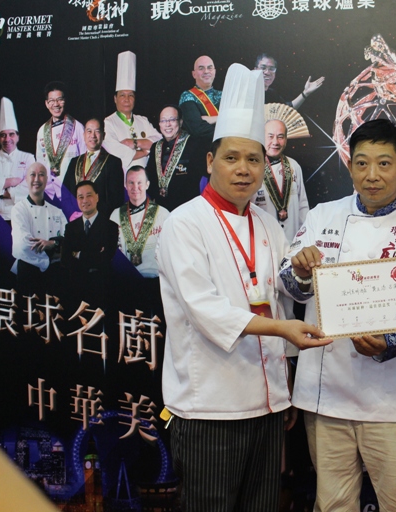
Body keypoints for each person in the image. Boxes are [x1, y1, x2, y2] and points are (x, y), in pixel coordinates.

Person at [158, 63, 330, 512]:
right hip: (210, 407)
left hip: (267, 403)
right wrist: (282, 331)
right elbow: (205, 310)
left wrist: (304, 272)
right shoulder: (184, 223)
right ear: (209, 161)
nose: (243, 169)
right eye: (231, 158)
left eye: (254, 159)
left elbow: (286, 292)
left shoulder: (268, 222)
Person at [280, 119, 396, 511]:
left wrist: (387, 342)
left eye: (384, 164)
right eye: (362, 163)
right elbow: (290, 286)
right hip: (327, 394)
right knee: (332, 504)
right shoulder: (322, 216)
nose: (372, 175)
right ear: (350, 165)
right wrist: (301, 270)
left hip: (391, 397)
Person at [10, 163, 66, 295]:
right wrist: (54, 250)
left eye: (41, 175)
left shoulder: (57, 212)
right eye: (32, 175)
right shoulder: (19, 209)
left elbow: (70, 242)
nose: (36, 179)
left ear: (46, 179)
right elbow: (23, 245)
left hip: (54, 276)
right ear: (26, 179)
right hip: (28, 273)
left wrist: (52, 243)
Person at [61, 180, 119, 305]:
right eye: (80, 197)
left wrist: (77, 254)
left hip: (102, 288)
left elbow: (105, 258)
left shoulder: (110, 227)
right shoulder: (70, 227)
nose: (85, 200)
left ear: (97, 197)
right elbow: (65, 258)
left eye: (89, 195)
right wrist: (94, 253)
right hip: (76, 289)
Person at [103, 51, 162, 170]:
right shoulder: (108, 122)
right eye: (122, 95)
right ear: (115, 99)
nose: (127, 99)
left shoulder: (143, 120)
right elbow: (116, 151)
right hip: (122, 176)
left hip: (146, 176)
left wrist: (134, 143)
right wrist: (145, 151)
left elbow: (159, 141)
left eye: (131, 95)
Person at [253, 118, 309, 241]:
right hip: (263, 240)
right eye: (270, 136)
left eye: (280, 137)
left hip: (292, 239)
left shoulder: (294, 166)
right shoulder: (253, 167)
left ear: (286, 139)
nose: (275, 142)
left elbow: (303, 206)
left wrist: (304, 238)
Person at [145, 105, 208, 212]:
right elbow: (150, 174)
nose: (167, 124)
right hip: (160, 209)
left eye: (172, 120)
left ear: (180, 122)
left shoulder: (195, 144)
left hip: (186, 209)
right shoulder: (155, 146)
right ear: (159, 124)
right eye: (163, 120)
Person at [110, 166, 169, 278]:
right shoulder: (115, 215)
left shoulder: (163, 214)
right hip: (125, 280)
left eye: (139, 182)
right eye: (131, 183)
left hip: (155, 280)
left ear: (147, 184)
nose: (135, 187)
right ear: (125, 185)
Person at [0, 97, 33, 221]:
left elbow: (31, 187)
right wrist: (10, 181)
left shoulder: (28, 158)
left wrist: (1, 192)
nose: (7, 139)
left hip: (21, 217)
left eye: (11, 134)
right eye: (3, 135)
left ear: (18, 137)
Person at [35, 81, 86, 201]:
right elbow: (40, 164)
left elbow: (85, 160)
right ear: (46, 104)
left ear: (65, 101)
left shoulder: (78, 127)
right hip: (50, 193)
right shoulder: (42, 131)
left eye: (60, 99)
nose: (56, 104)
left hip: (73, 191)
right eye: (51, 101)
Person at [63, 118, 125, 214]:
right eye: (89, 131)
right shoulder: (74, 162)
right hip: (76, 219)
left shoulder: (113, 162)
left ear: (103, 135)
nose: (93, 135)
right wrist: (72, 214)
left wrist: (94, 215)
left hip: (101, 219)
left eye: (97, 131)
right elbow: (65, 193)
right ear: (84, 135)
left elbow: (116, 199)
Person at [254, 53, 324, 109]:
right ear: (255, 70)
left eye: (271, 69)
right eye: (263, 68)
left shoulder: (272, 94)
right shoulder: (249, 90)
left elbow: (287, 109)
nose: (267, 72)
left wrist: (305, 93)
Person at [179, 55, 221, 140]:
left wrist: (214, 119)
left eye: (209, 68)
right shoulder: (187, 96)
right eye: (201, 68)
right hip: (202, 146)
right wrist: (225, 128)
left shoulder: (223, 95)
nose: (206, 71)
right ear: (194, 74)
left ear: (214, 72)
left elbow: (237, 120)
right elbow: (197, 129)